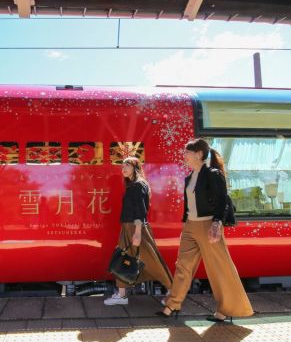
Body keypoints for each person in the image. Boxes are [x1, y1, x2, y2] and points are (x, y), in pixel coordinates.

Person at [158, 138, 253, 322]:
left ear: (199, 154)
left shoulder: (213, 174)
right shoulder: (189, 178)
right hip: (190, 226)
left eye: (187, 152)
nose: (184, 156)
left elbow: (222, 200)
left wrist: (217, 222)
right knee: (182, 265)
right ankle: (172, 304)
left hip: (208, 225)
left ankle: (227, 309)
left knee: (218, 268)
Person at [104, 157, 173, 306]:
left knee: (151, 260)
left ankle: (172, 291)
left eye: (127, 165)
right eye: (122, 166)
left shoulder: (138, 185)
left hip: (136, 227)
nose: (123, 168)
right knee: (122, 258)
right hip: (128, 227)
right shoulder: (133, 185)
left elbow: (141, 210)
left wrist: (137, 231)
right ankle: (121, 295)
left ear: (136, 167)